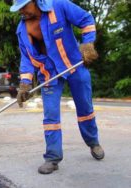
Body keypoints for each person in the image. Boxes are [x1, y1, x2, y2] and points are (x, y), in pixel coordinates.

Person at [10, 0, 104, 174]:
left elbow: (86, 19)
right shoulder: (22, 30)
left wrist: (88, 43)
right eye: (18, 8)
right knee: (51, 116)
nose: (21, 11)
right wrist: (25, 83)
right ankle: (52, 158)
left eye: (24, 6)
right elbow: (27, 59)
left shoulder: (59, 6)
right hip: (49, 74)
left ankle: (93, 142)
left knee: (85, 109)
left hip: (74, 65)